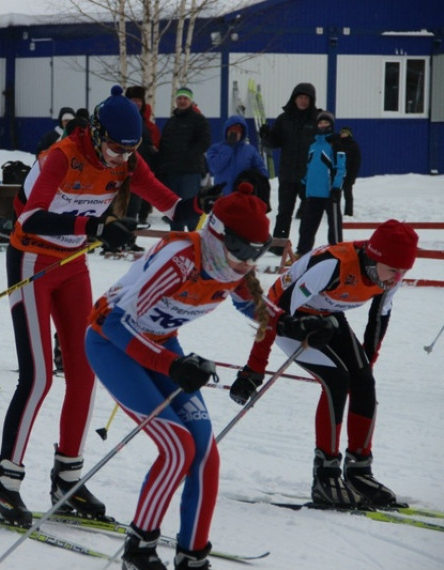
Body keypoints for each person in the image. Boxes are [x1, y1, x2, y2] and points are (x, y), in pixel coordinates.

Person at [0, 85, 223, 529]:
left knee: (83, 370)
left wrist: (197, 206)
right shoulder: (60, 156)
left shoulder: (127, 159)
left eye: (129, 151)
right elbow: (28, 217)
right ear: (95, 134)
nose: (120, 158)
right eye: (114, 148)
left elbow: (167, 202)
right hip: (32, 259)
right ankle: (4, 484)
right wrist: (93, 224)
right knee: (37, 377)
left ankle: (67, 478)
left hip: (72, 264)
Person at [86, 185, 273, 570]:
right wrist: (172, 366)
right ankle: (139, 549)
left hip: (160, 346)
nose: (247, 262)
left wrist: (298, 323)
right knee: (177, 446)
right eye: (241, 250)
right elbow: (114, 323)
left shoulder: (230, 265)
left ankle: (192, 556)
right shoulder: (181, 258)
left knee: (205, 453)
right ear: (219, 234)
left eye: (258, 252)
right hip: (112, 345)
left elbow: (258, 309)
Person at [230, 219, 419, 509]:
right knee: (337, 380)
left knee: (363, 381)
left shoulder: (389, 273)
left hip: (329, 315)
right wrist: (254, 370)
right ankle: (326, 475)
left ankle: (358, 470)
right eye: (394, 270)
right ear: (377, 257)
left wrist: (366, 365)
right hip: (289, 319)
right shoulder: (333, 265)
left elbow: (378, 321)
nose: (397, 278)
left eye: (403, 271)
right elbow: (274, 312)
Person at [258, 83, 321, 254]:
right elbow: (274, 143)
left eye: (306, 98)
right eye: (300, 97)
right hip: (287, 174)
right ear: (294, 98)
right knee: (284, 212)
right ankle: (278, 247)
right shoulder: (284, 119)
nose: (303, 101)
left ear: (311, 100)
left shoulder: (317, 119)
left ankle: (304, 247)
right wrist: (266, 136)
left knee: (308, 215)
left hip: (308, 176)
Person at [156, 86, 212, 231]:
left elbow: (205, 141)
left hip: (190, 173)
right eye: (179, 98)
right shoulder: (171, 122)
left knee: (191, 210)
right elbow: (164, 146)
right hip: (172, 174)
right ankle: (176, 243)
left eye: (185, 98)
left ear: (190, 101)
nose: (182, 101)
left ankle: (195, 244)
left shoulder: (198, 120)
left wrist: (190, 155)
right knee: (174, 211)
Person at [296, 111, 346, 257]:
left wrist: (337, 187)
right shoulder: (313, 145)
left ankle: (337, 254)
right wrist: (303, 183)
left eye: (326, 123)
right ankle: (302, 253)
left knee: (334, 226)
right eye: (320, 123)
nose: (323, 125)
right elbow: (309, 167)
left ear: (331, 125)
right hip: (313, 192)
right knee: (307, 226)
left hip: (330, 192)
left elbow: (341, 168)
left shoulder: (335, 143)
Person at [124, 85, 162, 237]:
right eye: (134, 100)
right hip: (122, 169)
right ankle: (113, 243)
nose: (137, 103)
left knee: (133, 206)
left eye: (139, 100)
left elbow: (147, 145)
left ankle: (129, 239)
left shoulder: (145, 122)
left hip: (138, 170)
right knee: (120, 206)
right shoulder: (122, 118)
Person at [206, 115, 269, 197]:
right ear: (226, 131)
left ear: (242, 133)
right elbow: (214, 167)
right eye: (232, 131)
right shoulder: (216, 148)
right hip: (222, 197)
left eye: (238, 131)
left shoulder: (250, 150)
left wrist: (258, 185)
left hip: (244, 197)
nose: (234, 134)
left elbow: (261, 170)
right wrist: (228, 147)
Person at [333, 126, 361, 216]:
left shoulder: (353, 145)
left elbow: (356, 162)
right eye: (342, 133)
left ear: (349, 134)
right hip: (338, 174)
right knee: (336, 193)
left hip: (348, 174)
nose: (343, 134)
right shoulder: (337, 143)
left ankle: (348, 212)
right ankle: (335, 211)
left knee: (348, 194)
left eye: (345, 133)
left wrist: (353, 176)